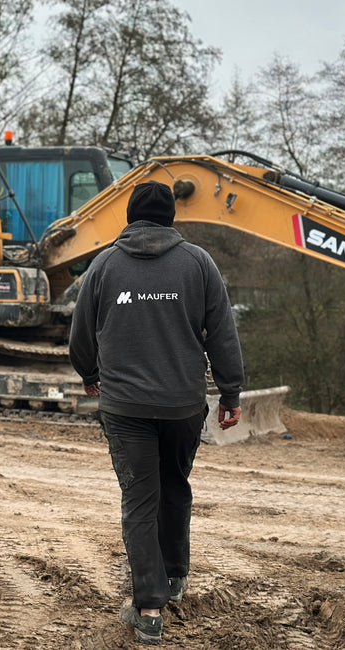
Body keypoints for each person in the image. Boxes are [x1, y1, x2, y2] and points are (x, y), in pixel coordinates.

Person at [68, 181, 243, 645]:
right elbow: (223, 332)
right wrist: (230, 393)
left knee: (140, 497)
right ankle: (176, 576)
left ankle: (149, 606)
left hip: (125, 407)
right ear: (171, 218)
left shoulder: (104, 264)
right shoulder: (198, 263)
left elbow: (80, 333)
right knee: (174, 485)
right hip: (184, 403)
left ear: (128, 217)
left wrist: (87, 371)